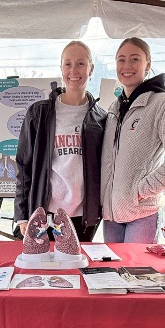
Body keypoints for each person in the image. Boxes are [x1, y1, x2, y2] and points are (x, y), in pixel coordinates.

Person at [100, 37, 165, 243]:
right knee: (113, 275)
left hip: (142, 215)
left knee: (135, 274)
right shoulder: (114, 109)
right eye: (121, 60)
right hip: (111, 217)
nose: (127, 66)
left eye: (135, 59)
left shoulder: (162, 103)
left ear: (147, 64)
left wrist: (142, 190)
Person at [14, 40, 105, 242]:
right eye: (68, 64)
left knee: (75, 269)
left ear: (91, 68)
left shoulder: (101, 119)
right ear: (61, 68)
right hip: (45, 213)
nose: (74, 70)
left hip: (84, 217)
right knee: (43, 270)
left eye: (81, 63)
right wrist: (22, 215)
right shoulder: (39, 113)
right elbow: (23, 165)